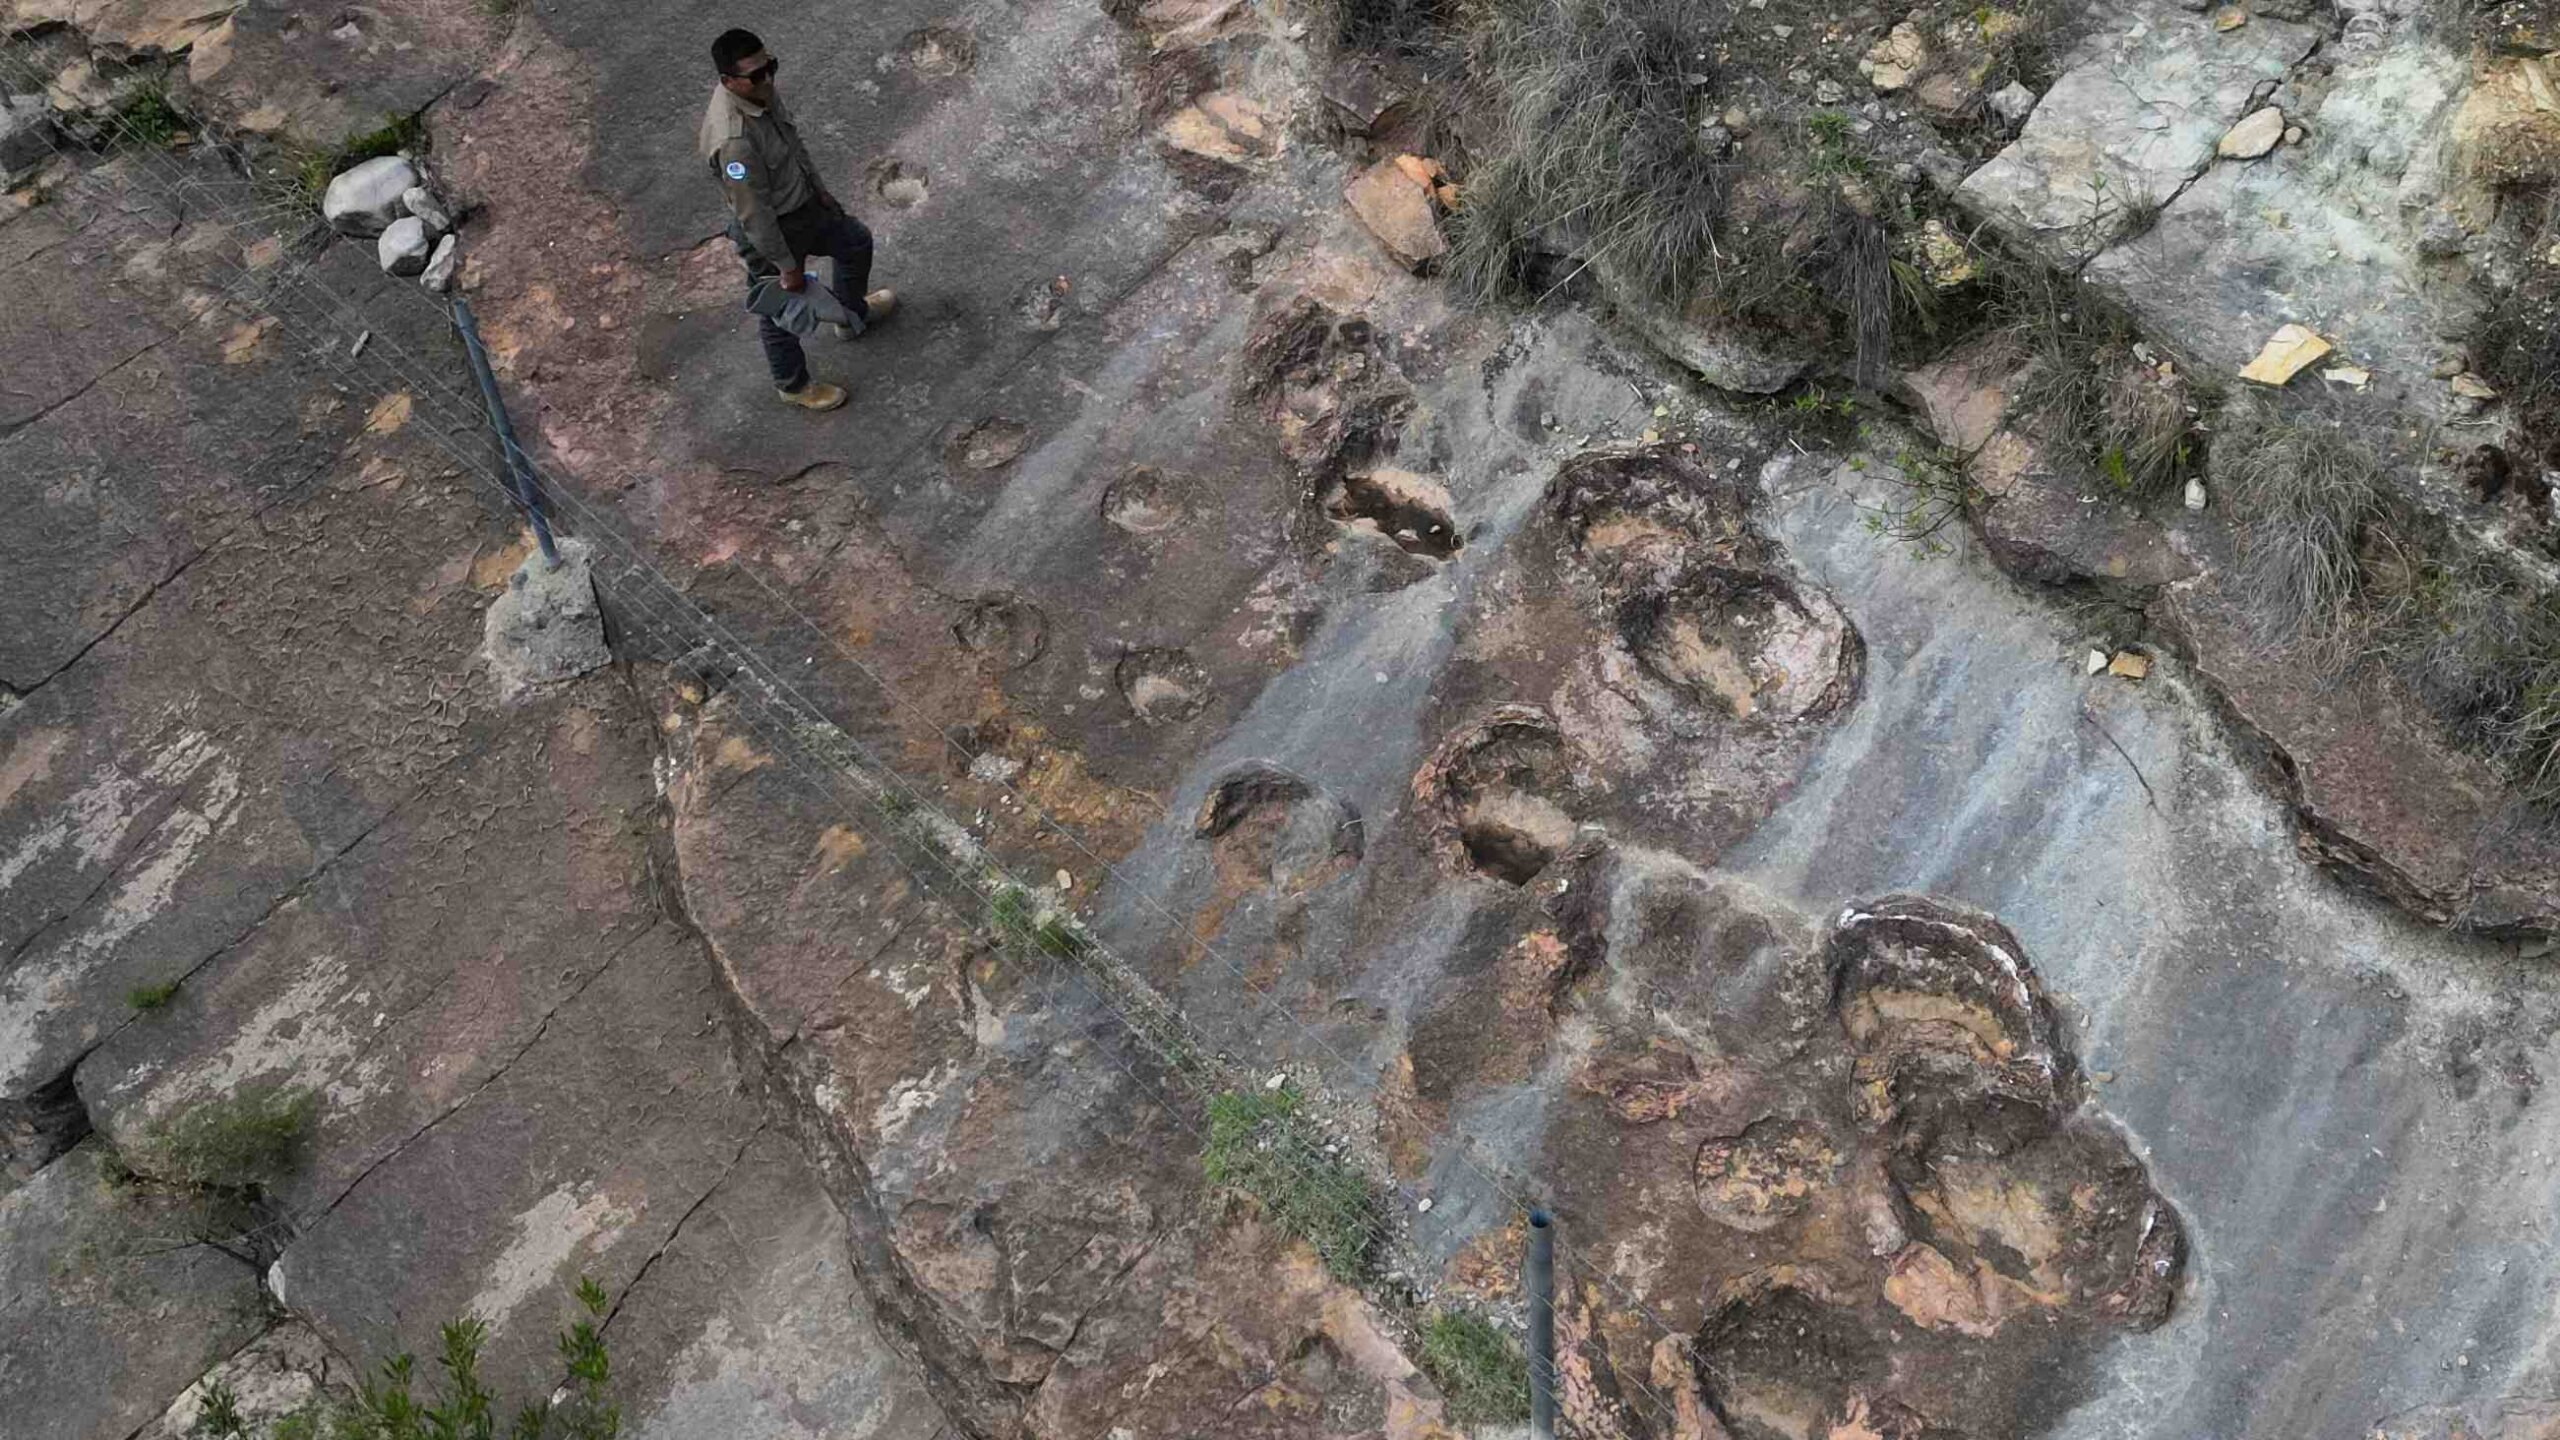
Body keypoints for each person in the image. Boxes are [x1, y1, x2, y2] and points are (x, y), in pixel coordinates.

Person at [698, 27, 897, 413]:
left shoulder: (760, 93)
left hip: (804, 206)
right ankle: (793, 384)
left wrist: (821, 192)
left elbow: (792, 144)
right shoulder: (734, 141)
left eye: (769, 66)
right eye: (756, 75)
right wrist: (786, 266)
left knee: (855, 242)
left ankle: (850, 315)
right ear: (728, 81)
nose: (768, 78)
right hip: (772, 231)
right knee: (781, 310)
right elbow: (753, 213)